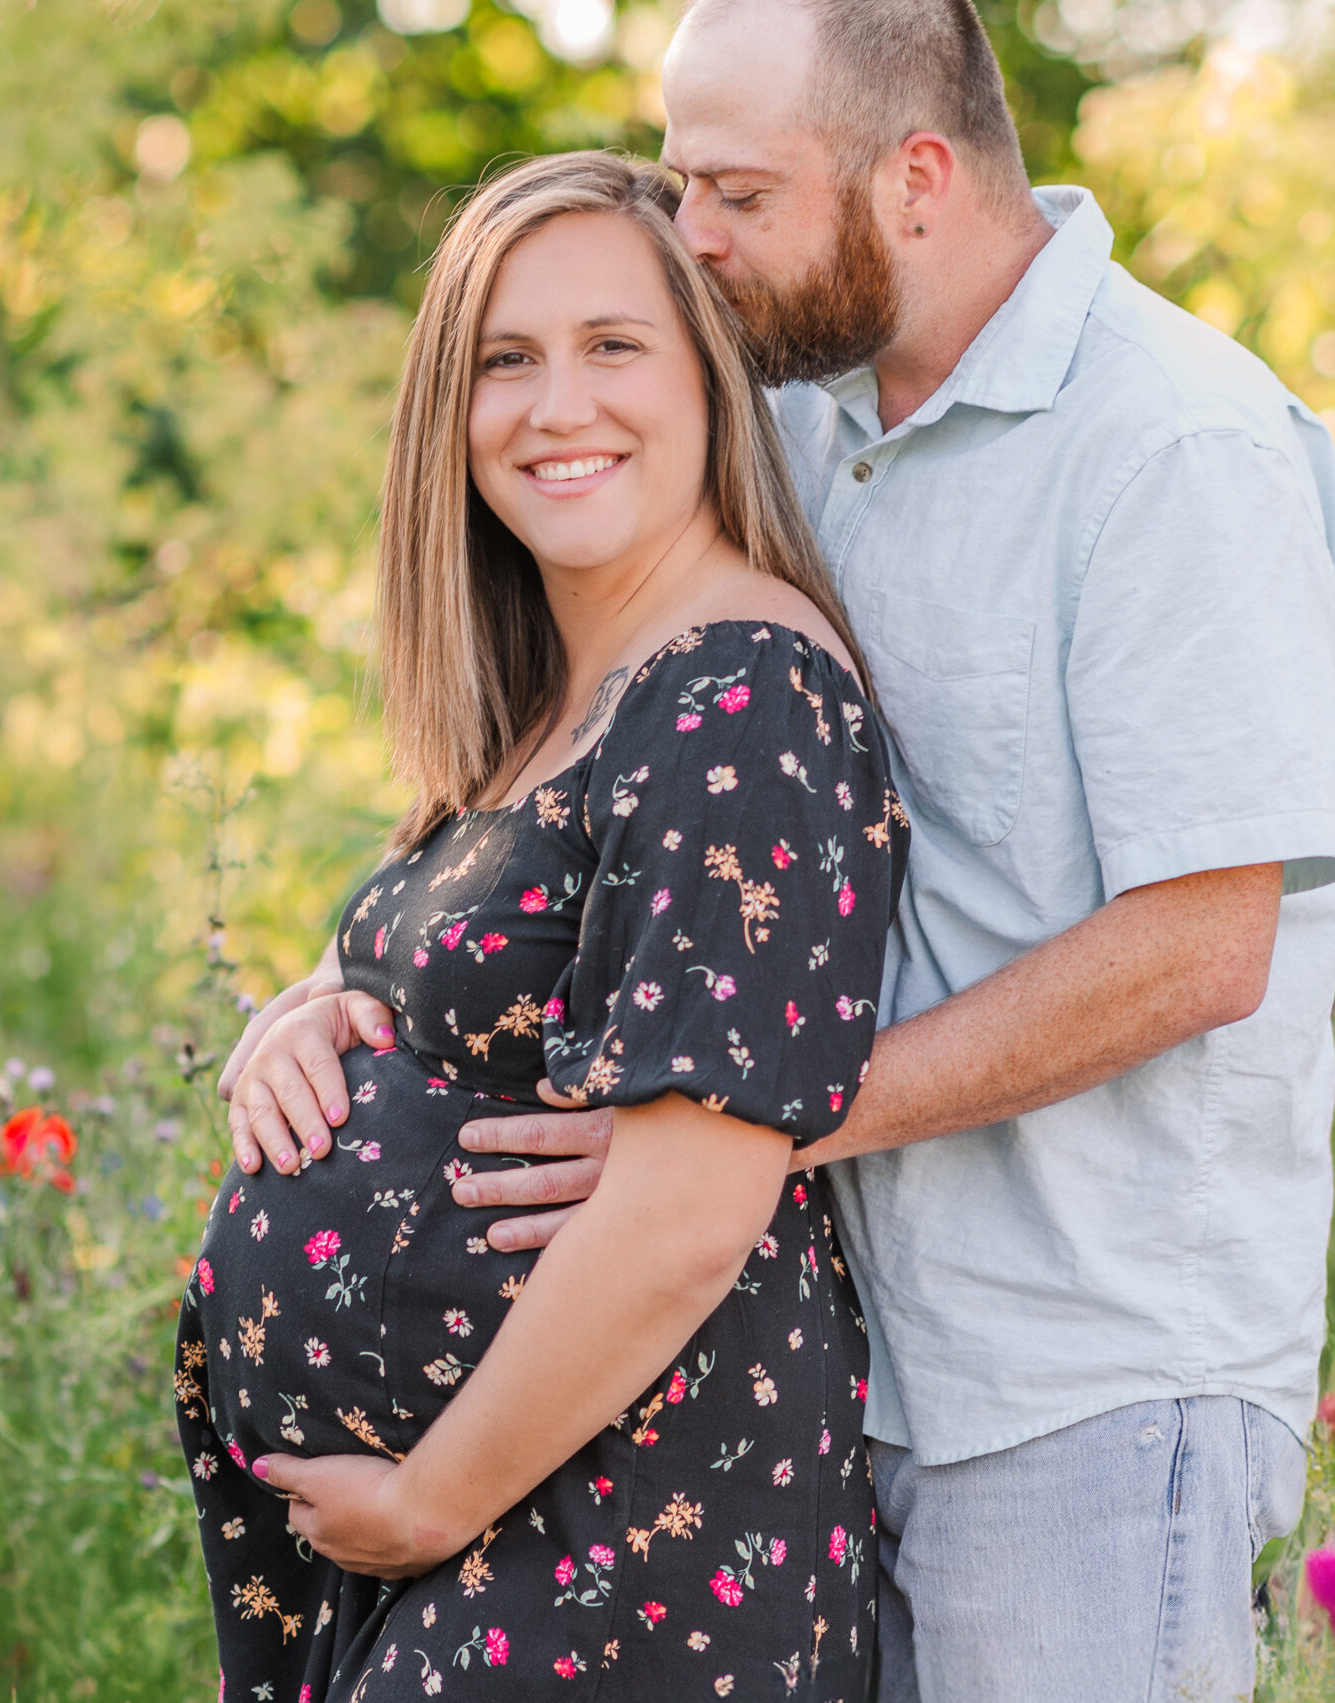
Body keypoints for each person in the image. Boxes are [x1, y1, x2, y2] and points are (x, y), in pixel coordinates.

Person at [224, 0, 1335, 1695]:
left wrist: (731, 1127)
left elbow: (1204, 947)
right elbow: (592, 768)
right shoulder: (808, 421)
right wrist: (337, 984)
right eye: (683, 184)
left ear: (914, 178)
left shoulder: (1171, 440)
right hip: (843, 1356)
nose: (695, 241)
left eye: (737, 194)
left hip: (1081, 1380)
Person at [176, 150, 906, 1703]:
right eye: (504, 361)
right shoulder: (555, 706)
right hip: (488, 1543)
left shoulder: (738, 691)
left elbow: (690, 1205)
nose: (555, 407)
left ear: (711, 382)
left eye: (612, 347)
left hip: (614, 1555)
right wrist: (314, 1007)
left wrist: (433, 1496)